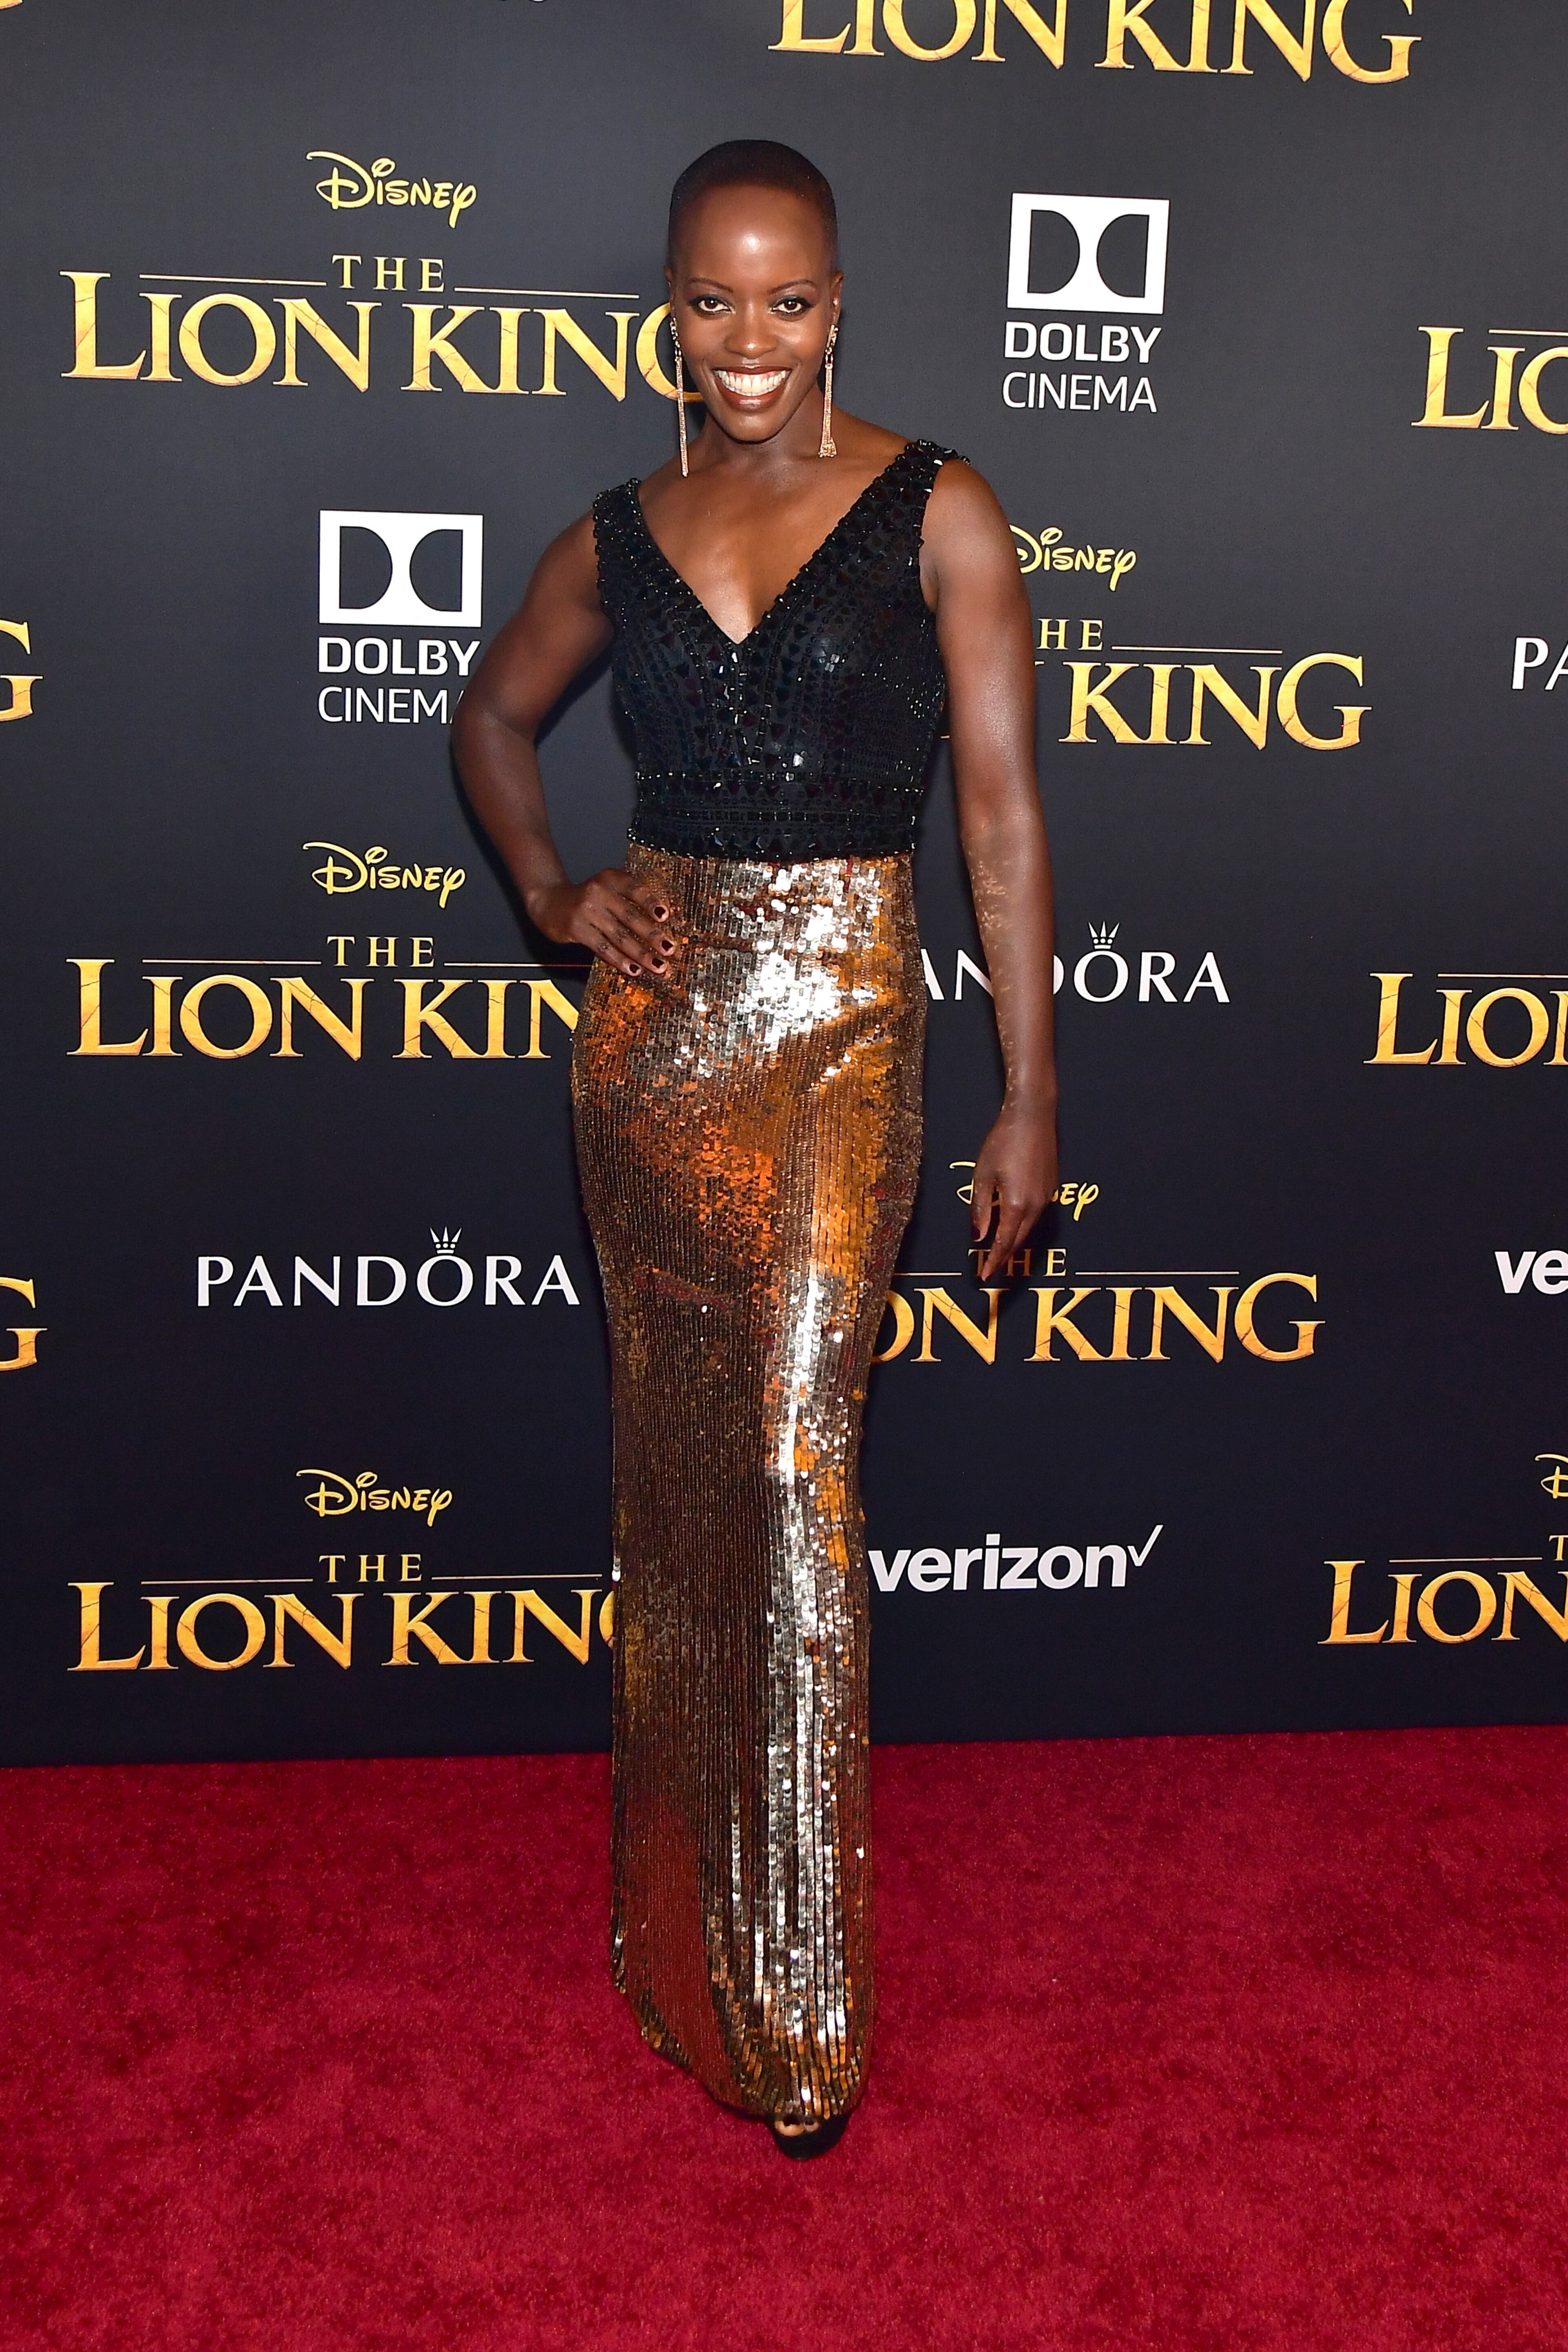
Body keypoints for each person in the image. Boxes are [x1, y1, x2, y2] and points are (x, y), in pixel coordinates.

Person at [454, 140, 1057, 2158]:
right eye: (713, 299)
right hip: (651, 1048)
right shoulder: (619, 529)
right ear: (671, 308)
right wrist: (552, 894)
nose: (747, 339)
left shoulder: (938, 508)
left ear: (837, 307)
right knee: (684, 1481)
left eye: (785, 299)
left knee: (795, 1461)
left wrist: (1029, 1085)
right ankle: (674, 1933)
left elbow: (996, 827)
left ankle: (794, 2003)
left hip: (848, 1027)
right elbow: (491, 717)